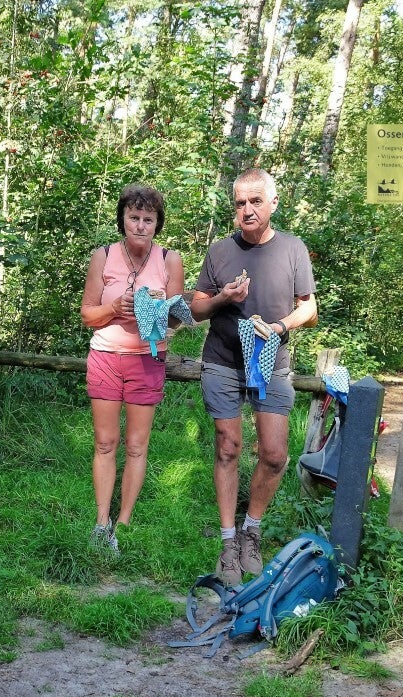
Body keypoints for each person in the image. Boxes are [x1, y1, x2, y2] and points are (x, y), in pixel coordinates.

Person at [189, 169, 318, 586]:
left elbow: (309, 309)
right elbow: (196, 308)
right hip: (223, 362)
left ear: (273, 203)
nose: (247, 209)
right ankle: (229, 541)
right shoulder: (220, 251)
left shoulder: (293, 249)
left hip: (271, 363)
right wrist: (223, 297)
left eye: (255, 201)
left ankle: (252, 530)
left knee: (275, 454)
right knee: (228, 447)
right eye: (240, 203)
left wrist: (280, 327)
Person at [80, 184, 185, 552]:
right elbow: (87, 315)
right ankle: (101, 522)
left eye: (148, 219)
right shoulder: (103, 256)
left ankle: (122, 524)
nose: (141, 225)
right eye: (134, 217)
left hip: (147, 359)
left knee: (137, 445)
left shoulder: (170, 260)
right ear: (122, 219)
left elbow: (176, 319)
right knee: (105, 442)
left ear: (157, 224)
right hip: (106, 357)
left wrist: (159, 310)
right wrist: (115, 308)